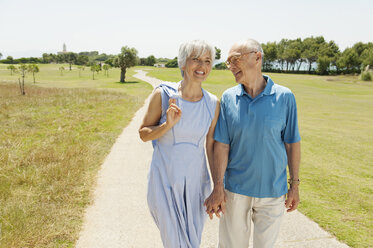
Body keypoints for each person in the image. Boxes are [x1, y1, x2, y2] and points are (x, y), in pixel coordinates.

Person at [204, 39, 301, 248]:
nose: (230, 67)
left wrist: (295, 185)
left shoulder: (285, 97)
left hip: (273, 191)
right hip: (235, 191)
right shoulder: (229, 98)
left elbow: (292, 143)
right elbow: (222, 144)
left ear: (257, 57)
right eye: (228, 62)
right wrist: (218, 186)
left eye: (235, 60)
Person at [138, 40, 220, 248]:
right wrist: (167, 124)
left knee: (192, 242)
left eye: (207, 61)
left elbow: (210, 147)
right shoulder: (164, 95)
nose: (202, 66)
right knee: (175, 243)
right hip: (164, 181)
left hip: (196, 185)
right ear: (183, 63)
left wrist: (218, 186)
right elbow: (144, 133)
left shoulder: (213, 103)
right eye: (196, 59)